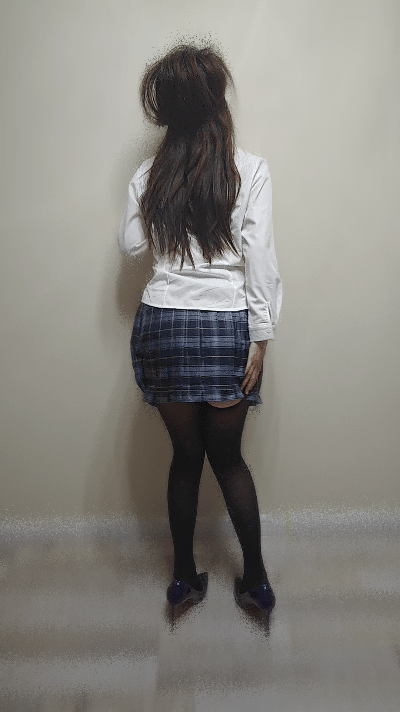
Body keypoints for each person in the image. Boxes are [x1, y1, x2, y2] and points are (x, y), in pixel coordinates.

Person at [118, 44, 282, 612]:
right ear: (216, 102)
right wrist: (261, 336)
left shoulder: (149, 175)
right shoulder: (250, 169)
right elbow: (260, 260)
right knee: (229, 459)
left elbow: (131, 245)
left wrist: (160, 202)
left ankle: (183, 580)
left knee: (185, 459)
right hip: (227, 325)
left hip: (164, 324)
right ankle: (256, 582)